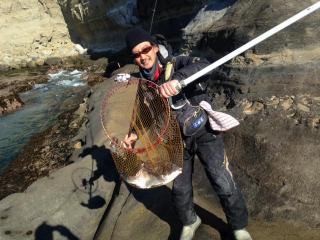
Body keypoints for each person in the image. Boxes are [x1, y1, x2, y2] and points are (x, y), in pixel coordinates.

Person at [124, 27, 252, 240]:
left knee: (221, 179)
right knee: (180, 189)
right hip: (174, 141)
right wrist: (133, 134)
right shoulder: (143, 84)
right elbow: (143, 114)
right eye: (136, 54)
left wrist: (178, 80)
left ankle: (238, 226)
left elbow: (206, 65)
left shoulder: (179, 62)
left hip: (204, 132)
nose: (142, 57)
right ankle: (190, 221)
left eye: (145, 49)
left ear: (154, 48)